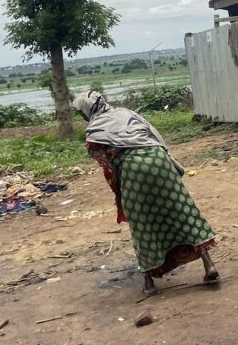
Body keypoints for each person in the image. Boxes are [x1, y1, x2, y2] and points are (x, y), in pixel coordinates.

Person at [73, 90, 219, 295]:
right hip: (159, 159)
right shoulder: (126, 113)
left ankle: (149, 282)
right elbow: (154, 135)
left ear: (87, 111)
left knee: (142, 223)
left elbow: (109, 169)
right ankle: (209, 264)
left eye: (81, 113)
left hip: (134, 171)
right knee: (183, 211)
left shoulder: (95, 132)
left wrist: (119, 196)